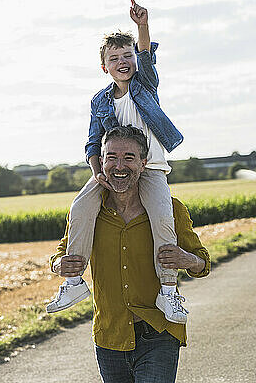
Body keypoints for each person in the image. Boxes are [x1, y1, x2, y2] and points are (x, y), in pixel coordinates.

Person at [46, 0, 188, 323]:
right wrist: (98, 174)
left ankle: (168, 291)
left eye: (128, 56)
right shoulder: (99, 100)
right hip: (114, 171)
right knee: (80, 207)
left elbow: (146, 57)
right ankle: (72, 282)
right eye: (115, 58)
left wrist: (142, 26)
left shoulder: (145, 86)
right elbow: (93, 142)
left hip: (149, 169)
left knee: (163, 217)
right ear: (104, 66)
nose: (123, 61)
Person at [50, 126, 210, 383]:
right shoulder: (88, 213)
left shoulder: (169, 210)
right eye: (112, 157)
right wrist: (60, 265)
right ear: (101, 162)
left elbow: (202, 262)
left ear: (144, 163)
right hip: (109, 336)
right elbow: (60, 255)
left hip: (158, 332)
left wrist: (187, 259)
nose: (119, 165)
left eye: (129, 157)